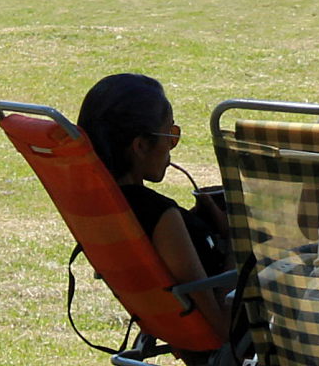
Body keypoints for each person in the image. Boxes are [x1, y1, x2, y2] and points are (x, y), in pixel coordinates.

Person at [76, 72, 232, 291]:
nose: (171, 145)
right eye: (170, 134)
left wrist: (192, 223)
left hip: (156, 323)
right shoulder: (162, 216)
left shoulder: (101, 204)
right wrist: (237, 240)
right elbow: (219, 322)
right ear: (140, 146)